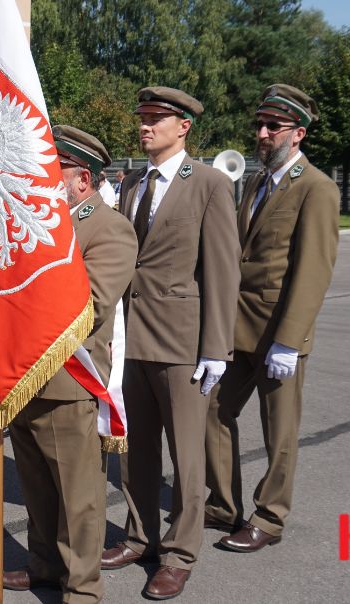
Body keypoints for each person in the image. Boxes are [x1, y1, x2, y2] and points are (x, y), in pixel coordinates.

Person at [100, 87, 239, 601]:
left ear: (183, 127)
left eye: (157, 118)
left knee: (186, 456)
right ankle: (141, 537)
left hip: (183, 342)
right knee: (135, 450)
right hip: (132, 334)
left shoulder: (208, 183)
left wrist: (216, 349)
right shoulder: (133, 182)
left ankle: (180, 554)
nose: (145, 125)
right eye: (142, 117)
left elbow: (223, 271)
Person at [205, 84, 340, 556]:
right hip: (238, 328)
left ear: (298, 134)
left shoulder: (317, 188)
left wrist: (290, 339)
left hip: (279, 332)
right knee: (212, 412)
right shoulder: (259, 182)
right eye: (259, 125)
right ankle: (223, 504)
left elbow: (313, 270)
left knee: (278, 432)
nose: (262, 134)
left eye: (273, 127)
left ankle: (269, 516)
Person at [3, 125, 135, 602]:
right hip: (21, 378)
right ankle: (43, 566)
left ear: (82, 179)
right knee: (37, 487)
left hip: (68, 381)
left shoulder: (109, 228)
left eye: (50, 169)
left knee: (79, 498)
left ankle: (82, 587)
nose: (38, 177)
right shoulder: (38, 220)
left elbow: (93, 304)